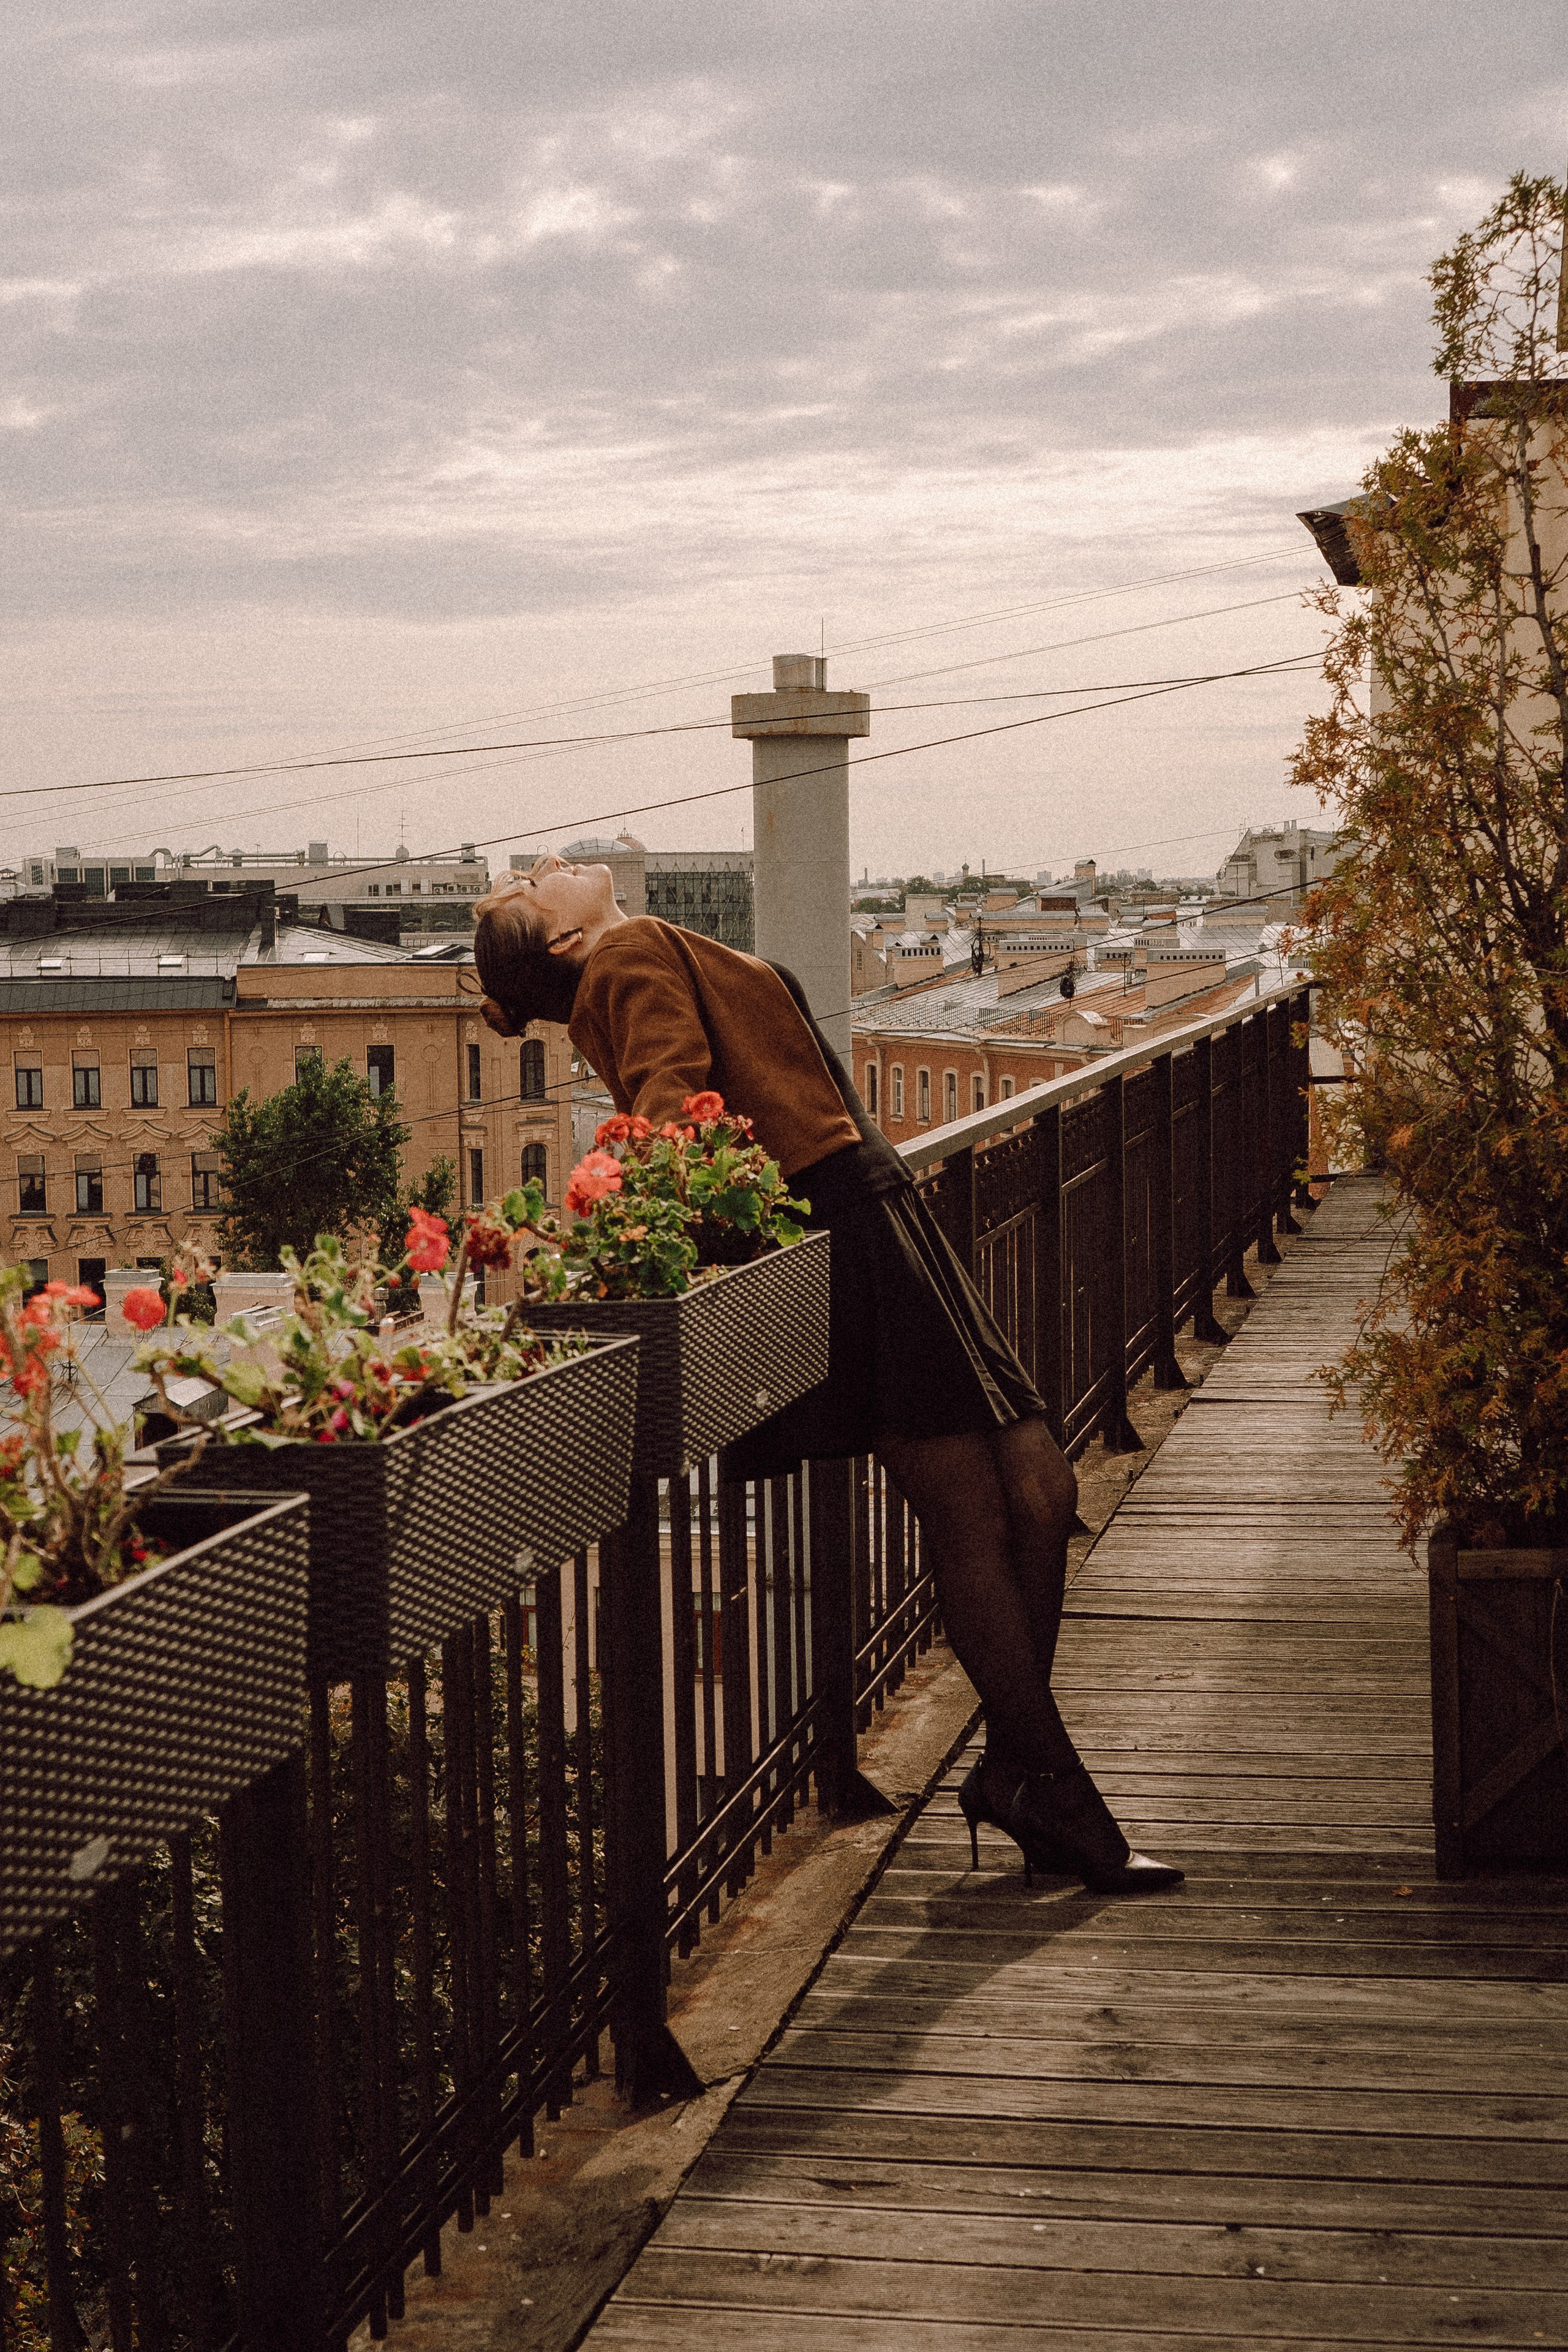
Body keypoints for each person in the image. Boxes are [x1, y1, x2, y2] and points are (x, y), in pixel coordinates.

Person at [473, 853, 1182, 1895]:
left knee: (1039, 1491)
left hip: (873, 1212)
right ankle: (1058, 1794)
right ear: (568, 940)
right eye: (538, 886)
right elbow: (671, 1112)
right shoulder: (628, 953)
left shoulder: (632, 954)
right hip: (845, 1224)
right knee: (984, 1511)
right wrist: (649, 1218)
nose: (551, 864)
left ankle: (1019, 1771)